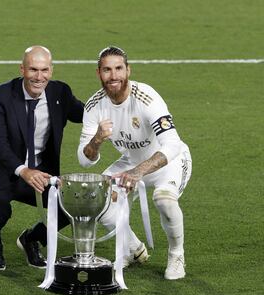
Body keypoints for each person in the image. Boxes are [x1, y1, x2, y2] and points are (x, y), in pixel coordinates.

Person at [77, 46, 192, 280]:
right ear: (99, 73)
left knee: (164, 200)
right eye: (107, 70)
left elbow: (172, 144)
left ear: (128, 70)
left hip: (168, 161)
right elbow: (84, 160)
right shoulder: (94, 105)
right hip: (131, 162)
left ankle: (176, 255)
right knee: (97, 198)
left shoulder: (146, 98)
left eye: (119, 68)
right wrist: (97, 140)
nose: (114, 76)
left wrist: (138, 172)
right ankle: (133, 248)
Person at [0, 46, 84, 271]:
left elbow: (85, 113)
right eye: (33, 69)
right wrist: (23, 170)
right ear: (22, 69)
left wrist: (115, 102)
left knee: (73, 205)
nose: (38, 77)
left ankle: (31, 239)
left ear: (51, 70)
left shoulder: (60, 93)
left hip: (39, 171)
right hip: (0, 171)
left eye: (44, 70)